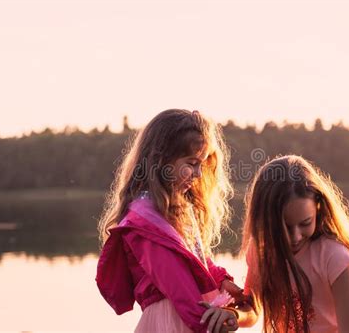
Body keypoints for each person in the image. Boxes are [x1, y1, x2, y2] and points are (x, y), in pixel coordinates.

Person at [95, 109, 240, 333]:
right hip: (171, 321)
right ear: (161, 160)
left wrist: (221, 280)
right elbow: (176, 283)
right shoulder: (144, 221)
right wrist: (208, 323)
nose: (198, 173)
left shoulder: (177, 209)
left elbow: (195, 260)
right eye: (192, 163)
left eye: (201, 164)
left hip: (188, 316)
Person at [236, 155, 349, 333]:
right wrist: (233, 316)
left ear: (318, 208)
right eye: (285, 228)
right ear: (264, 220)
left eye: (305, 223)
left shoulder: (335, 258)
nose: (295, 237)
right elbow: (253, 308)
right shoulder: (260, 250)